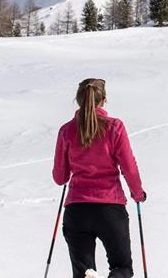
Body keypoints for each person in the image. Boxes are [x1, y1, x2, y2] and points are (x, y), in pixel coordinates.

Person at [53, 79, 146, 278]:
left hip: (77, 210)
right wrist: (138, 193)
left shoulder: (66, 131)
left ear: (78, 101)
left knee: (83, 273)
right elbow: (129, 166)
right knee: (122, 268)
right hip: (110, 209)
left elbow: (60, 177)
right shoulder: (114, 127)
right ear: (103, 100)